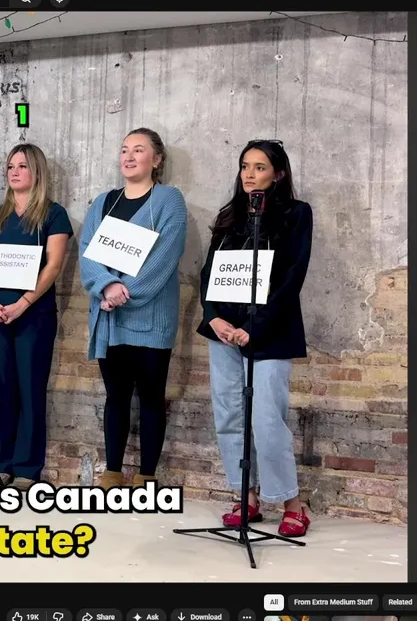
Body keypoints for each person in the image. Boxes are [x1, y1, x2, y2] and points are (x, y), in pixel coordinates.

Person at [197, 139, 314, 537]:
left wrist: (256, 327)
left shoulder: (297, 214)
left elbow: (292, 278)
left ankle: (291, 502)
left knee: (266, 418)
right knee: (230, 414)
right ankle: (244, 495)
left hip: (271, 331)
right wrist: (213, 318)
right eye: (245, 166)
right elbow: (209, 273)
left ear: (278, 174)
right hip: (224, 331)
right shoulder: (230, 215)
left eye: (259, 167)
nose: (249, 174)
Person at [78, 128, 187, 489]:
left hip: (151, 317)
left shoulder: (169, 200)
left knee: (152, 398)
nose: (129, 156)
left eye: (139, 150)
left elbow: (165, 256)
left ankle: (146, 475)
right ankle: (112, 470)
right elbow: (87, 251)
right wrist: (106, 286)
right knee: (116, 397)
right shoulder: (103, 202)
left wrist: (124, 293)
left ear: (156, 160)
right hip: (109, 317)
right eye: (124, 149)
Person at [0, 143, 72, 489]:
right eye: (10, 167)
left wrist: (24, 303)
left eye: (22, 166)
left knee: (30, 389)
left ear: (37, 172)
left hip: (34, 314)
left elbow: (54, 266)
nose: (14, 172)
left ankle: (28, 468)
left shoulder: (53, 214)